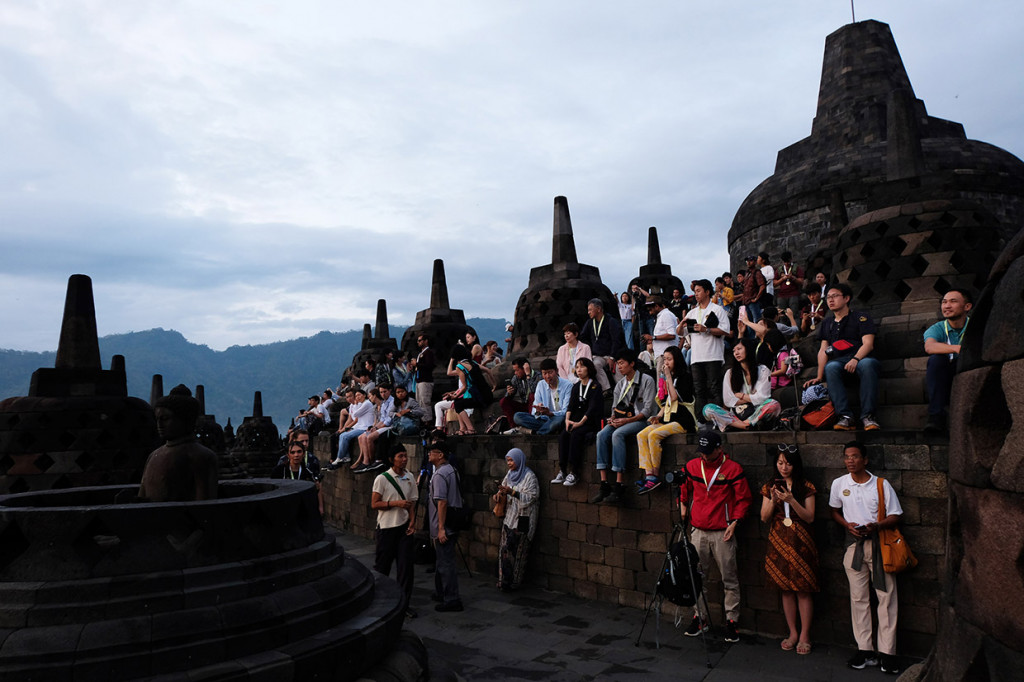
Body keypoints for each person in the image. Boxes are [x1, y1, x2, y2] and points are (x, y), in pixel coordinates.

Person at [829, 441, 904, 674]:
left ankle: (888, 652)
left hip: (880, 545)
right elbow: (834, 510)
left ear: (865, 460)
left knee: (886, 596)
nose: (850, 460)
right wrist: (847, 525)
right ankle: (865, 649)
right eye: (846, 457)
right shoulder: (839, 483)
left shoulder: (880, 485)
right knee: (858, 598)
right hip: (854, 546)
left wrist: (876, 525)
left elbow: (895, 514)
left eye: (854, 456)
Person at [679, 431, 751, 643]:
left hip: (723, 531)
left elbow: (744, 499)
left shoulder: (732, 469)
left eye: (708, 453)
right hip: (698, 530)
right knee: (697, 576)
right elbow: (684, 486)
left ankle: (731, 620)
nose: (704, 457)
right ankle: (699, 616)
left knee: (729, 577)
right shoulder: (693, 466)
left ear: (719, 449)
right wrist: (683, 504)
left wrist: (735, 522)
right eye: (701, 453)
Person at [760, 444, 819, 655]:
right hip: (778, 537)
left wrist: (792, 500)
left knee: (803, 588)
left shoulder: (806, 485)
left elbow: (810, 517)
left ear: (796, 464)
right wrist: (774, 500)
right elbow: (764, 517)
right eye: (780, 463)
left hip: (801, 538)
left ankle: (804, 635)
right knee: (785, 588)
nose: (784, 467)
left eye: (788, 463)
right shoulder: (770, 486)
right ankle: (792, 632)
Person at [803, 283, 881, 431]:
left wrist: (855, 359)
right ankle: (845, 416)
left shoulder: (861, 318)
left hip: (862, 358)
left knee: (868, 365)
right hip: (839, 361)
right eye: (828, 297)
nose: (830, 300)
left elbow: (868, 344)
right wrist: (819, 376)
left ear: (846, 298)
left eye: (835, 296)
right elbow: (823, 350)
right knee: (831, 367)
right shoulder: (827, 322)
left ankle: (868, 416)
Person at [592, 348, 656, 505]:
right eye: (618, 363)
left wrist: (626, 421)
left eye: (622, 363)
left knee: (617, 434)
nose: (619, 367)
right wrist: (613, 418)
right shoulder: (620, 384)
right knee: (601, 435)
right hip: (622, 419)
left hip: (641, 420)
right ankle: (604, 483)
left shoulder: (647, 380)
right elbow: (615, 407)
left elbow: (647, 410)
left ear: (632, 364)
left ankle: (619, 484)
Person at [138, 384, 218, 502]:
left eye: (165, 418)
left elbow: (204, 505)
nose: (159, 424)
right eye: (157, 419)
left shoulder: (201, 456)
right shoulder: (153, 456)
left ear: (186, 420)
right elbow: (143, 497)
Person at [635, 346, 695, 494]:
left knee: (653, 435)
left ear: (677, 360)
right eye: (665, 359)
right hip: (668, 417)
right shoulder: (668, 377)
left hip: (683, 420)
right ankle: (649, 475)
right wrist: (658, 415)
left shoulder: (685, 377)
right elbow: (667, 401)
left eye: (669, 359)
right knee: (641, 435)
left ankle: (655, 475)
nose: (666, 362)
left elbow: (675, 397)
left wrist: (667, 376)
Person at [371, 444, 419, 614]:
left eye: (405, 456)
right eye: (400, 456)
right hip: (386, 528)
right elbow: (375, 503)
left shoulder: (410, 477)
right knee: (382, 567)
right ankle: (379, 603)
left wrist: (413, 522)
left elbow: (412, 503)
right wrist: (395, 503)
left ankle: (403, 605)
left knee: (406, 568)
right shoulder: (382, 479)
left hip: (404, 528)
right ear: (392, 459)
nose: (404, 459)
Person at [703, 338, 782, 431]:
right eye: (734, 351)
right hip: (737, 414)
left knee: (773, 404)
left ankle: (738, 425)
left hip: (757, 412)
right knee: (707, 409)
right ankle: (746, 426)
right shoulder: (730, 373)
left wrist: (740, 395)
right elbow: (728, 401)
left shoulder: (763, 370)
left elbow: (763, 398)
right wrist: (752, 397)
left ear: (748, 349)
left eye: (739, 349)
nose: (736, 353)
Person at [680, 279, 731, 422]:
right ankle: (701, 420)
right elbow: (681, 332)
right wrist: (681, 325)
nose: (696, 294)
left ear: (707, 292)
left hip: (713, 355)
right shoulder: (692, 312)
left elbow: (725, 331)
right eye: (695, 291)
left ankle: (720, 419)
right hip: (696, 357)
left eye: (698, 291)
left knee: (714, 387)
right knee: (699, 389)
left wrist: (706, 329)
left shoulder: (717, 310)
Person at [923, 289, 972, 433]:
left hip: (969, 368)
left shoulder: (976, 326)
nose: (947, 306)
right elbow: (930, 347)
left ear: (967, 307)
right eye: (944, 302)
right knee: (936, 360)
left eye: (953, 301)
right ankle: (936, 416)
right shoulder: (937, 328)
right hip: (947, 371)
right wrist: (958, 348)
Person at [492, 447, 539, 591]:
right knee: (504, 550)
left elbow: (531, 497)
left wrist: (512, 492)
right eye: (508, 460)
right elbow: (503, 489)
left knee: (518, 553)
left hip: (523, 519)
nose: (509, 463)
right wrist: (498, 495)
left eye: (512, 460)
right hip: (509, 517)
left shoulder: (530, 477)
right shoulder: (510, 474)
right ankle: (503, 580)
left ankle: (515, 582)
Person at [553, 357, 603, 487]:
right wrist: (567, 420)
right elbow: (571, 405)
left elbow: (592, 408)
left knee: (576, 435)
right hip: (575, 420)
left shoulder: (595, 386)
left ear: (589, 368)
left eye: (582, 366)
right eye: (577, 367)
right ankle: (562, 469)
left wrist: (580, 423)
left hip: (590, 422)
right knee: (564, 435)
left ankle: (574, 472)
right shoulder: (576, 386)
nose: (579, 370)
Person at [428, 442, 464, 612]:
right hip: (453, 522)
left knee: (445, 563)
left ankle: (452, 599)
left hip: (444, 525)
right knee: (441, 561)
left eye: (432, 452)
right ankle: (441, 591)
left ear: (440, 454)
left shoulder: (440, 474)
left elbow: (442, 502)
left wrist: (441, 528)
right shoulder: (451, 470)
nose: (429, 455)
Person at [577, 298, 627, 393]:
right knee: (595, 365)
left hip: (612, 354)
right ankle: (606, 389)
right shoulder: (590, 323)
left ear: (599, 309)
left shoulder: (611, 321)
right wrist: (590, 347)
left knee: (617, 369)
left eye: (590, 310)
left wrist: (612, 357)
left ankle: (624, 391)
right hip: (598, 355)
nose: (588, 312)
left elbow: (616, 340)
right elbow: (582, 337)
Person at [512, 358, 572, 435]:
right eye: (544, 373)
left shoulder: (568, 385)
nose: (547, 376)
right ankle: (548, 429)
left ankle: (537, 433)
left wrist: (550, 413)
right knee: (517, 416)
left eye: (550, 372)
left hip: (558, 417)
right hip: (543, 419)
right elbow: (534, 410)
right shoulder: (541, 384)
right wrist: (539, 411)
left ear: (556, 371)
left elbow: (565, 411)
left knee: (556, 422)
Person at [331, 388, 374, 468]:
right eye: (357, 396)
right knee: (341, 435)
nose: (358, 397)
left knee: (344, 436)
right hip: (359, 427)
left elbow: (355, 415)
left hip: (365, 428)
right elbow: (351, 418)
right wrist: (344, 428)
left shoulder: (366, 403)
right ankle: (345, 456)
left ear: (364, 395)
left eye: (359, 395)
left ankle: (339, 457)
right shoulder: (354, 405)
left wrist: (355, 404)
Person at [641, 295, 678, 377]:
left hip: (665, 356)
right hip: (661, 355)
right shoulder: (660, 316)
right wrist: (652, 340)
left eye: (650, 309)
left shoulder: (666, 315)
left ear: (657, 306)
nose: (649, 311)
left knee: (662, 385)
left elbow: (672, 335)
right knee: (661, 386)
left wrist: (653, 337)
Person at [773, 251, 805, 318]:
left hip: (793, 294)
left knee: (794, 314)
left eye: (788, 262)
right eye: (785, 262)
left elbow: (801, 281)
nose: (786, 264)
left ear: (791, 259)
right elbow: (774, 283)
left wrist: (793, 278)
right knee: (782, 315)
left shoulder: (796, 268)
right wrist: (782, 279)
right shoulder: (780, 269)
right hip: (782, 295)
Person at [413, 334, 436, 421]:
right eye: (418, 341)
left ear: (426, 341)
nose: (418, 342)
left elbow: (429, 366)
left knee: (425, 402)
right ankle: (422, 420)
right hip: (419, 380)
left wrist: (417, 364)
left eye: (420, 340)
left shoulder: (428, 352)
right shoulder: (421, 353)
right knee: (419, 402)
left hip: (425, 380)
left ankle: (427, 420)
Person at [741, 255, 768, 324]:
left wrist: (756, 298)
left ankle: (758, 335)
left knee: (757, 321)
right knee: (748, 323)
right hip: (746, 301)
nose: (748, 262)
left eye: (750, 260)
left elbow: (762, 286)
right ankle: (752, 335)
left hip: (753, 301)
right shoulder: (747, 273)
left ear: (755, 262)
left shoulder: (757, 272)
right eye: (747, 261)